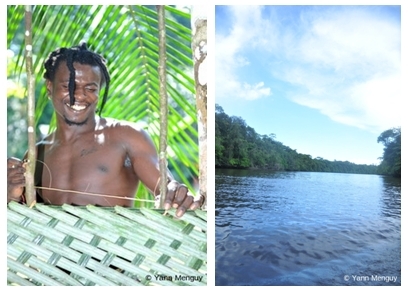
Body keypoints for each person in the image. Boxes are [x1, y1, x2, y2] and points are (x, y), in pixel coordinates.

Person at [7, 42, 205, 218]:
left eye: (90, 89)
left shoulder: (126, 135)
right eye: (69, 86)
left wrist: (173, 192)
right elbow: (27, 219)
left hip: (112, 257)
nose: (79, 96)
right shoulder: (36, 153)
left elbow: (163, 186)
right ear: (50, 87)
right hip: (53, 258)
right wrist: (10, 195)